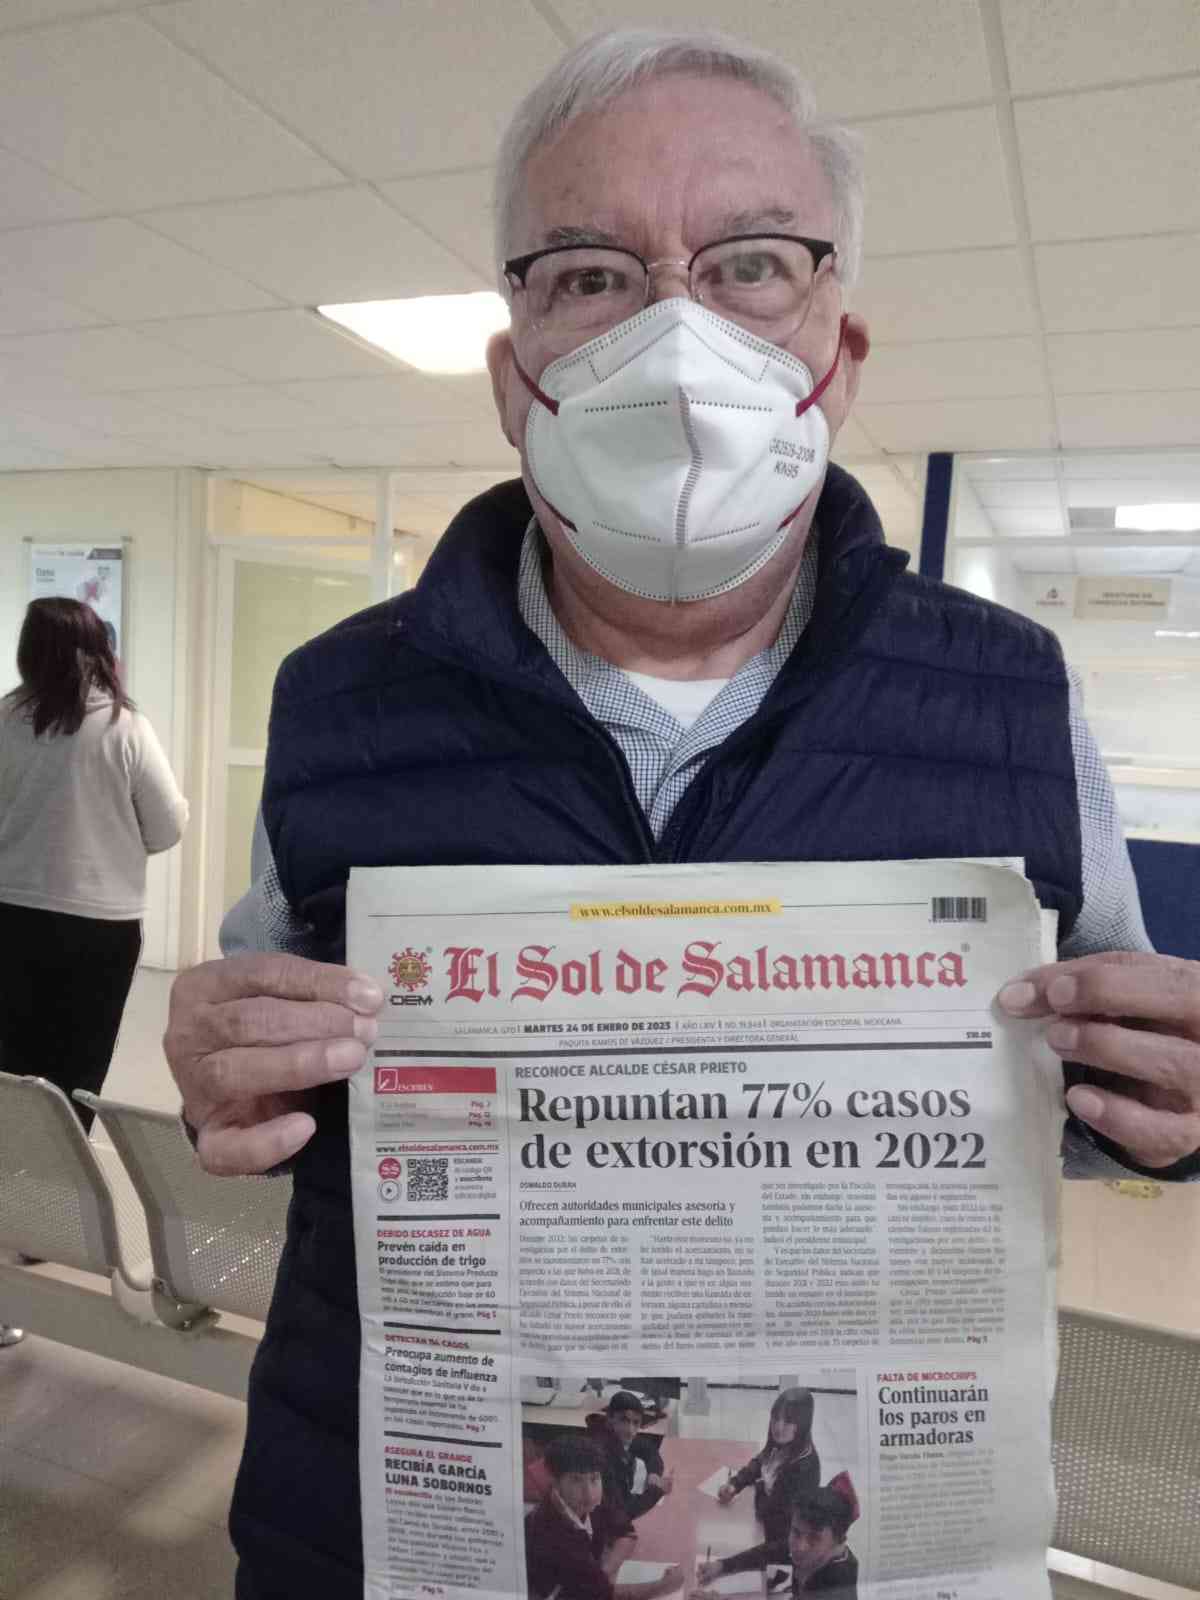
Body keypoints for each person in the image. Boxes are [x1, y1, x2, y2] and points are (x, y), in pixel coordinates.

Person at [161, 26, 1200, 1598]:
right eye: (591, 275)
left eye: (752, 265)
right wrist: (223, 1066)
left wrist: (1173, 1106)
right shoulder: (341, 702)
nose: (674, 332)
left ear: (840, 350)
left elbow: (1108, 1080)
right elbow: (269, 1050)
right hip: (396, 1528)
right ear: (513, 374)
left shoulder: (1011, 696)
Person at [0, 598, 187, 1129]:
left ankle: (11, 1156)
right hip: (100, 926)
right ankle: (64, 1163)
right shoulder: (124, 728)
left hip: (11, 913)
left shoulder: (4, 720)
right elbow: (167, 826)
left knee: (12, 1054)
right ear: (98, 652)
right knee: (80, 1060)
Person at [525, 1435, 682, 1600]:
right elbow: (602, 1595)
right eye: (576, 1480)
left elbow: (626, 1532)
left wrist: (601, 1574)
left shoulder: (587, 1502)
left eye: (594, 1478)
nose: (589, 1492)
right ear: (555, 1483)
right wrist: (665, 1585)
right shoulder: (551, 1532)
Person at [697, 1473, 859, 1598]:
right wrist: (722, 1565)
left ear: (838, 1541)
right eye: (795, 1532)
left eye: (814, 1539)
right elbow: (770, 1552)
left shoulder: (835, 1591)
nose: (799, 1547)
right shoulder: (813, 1551)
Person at [718, 1388, 819, 1544]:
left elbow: (771, 1512)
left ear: (802, 1425)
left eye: (788, 1421)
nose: (778, 1427)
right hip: (765, 1528)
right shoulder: (784, 1444)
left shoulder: (802, 1467)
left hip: (781, 1542)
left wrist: (758, 1489)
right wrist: (735, 1484)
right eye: (775, 1418)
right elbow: (759, 1462)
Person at [585, 1390, 674, 1527]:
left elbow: (649, 1449)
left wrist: (653, 1473)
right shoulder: (602, 1456)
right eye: (624, 1420)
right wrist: (658, 1491)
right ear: (610, 1418)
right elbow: (621, 1514)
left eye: (636, 1423)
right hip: (602, 1526)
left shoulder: (614, 1434)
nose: (630, 1430)